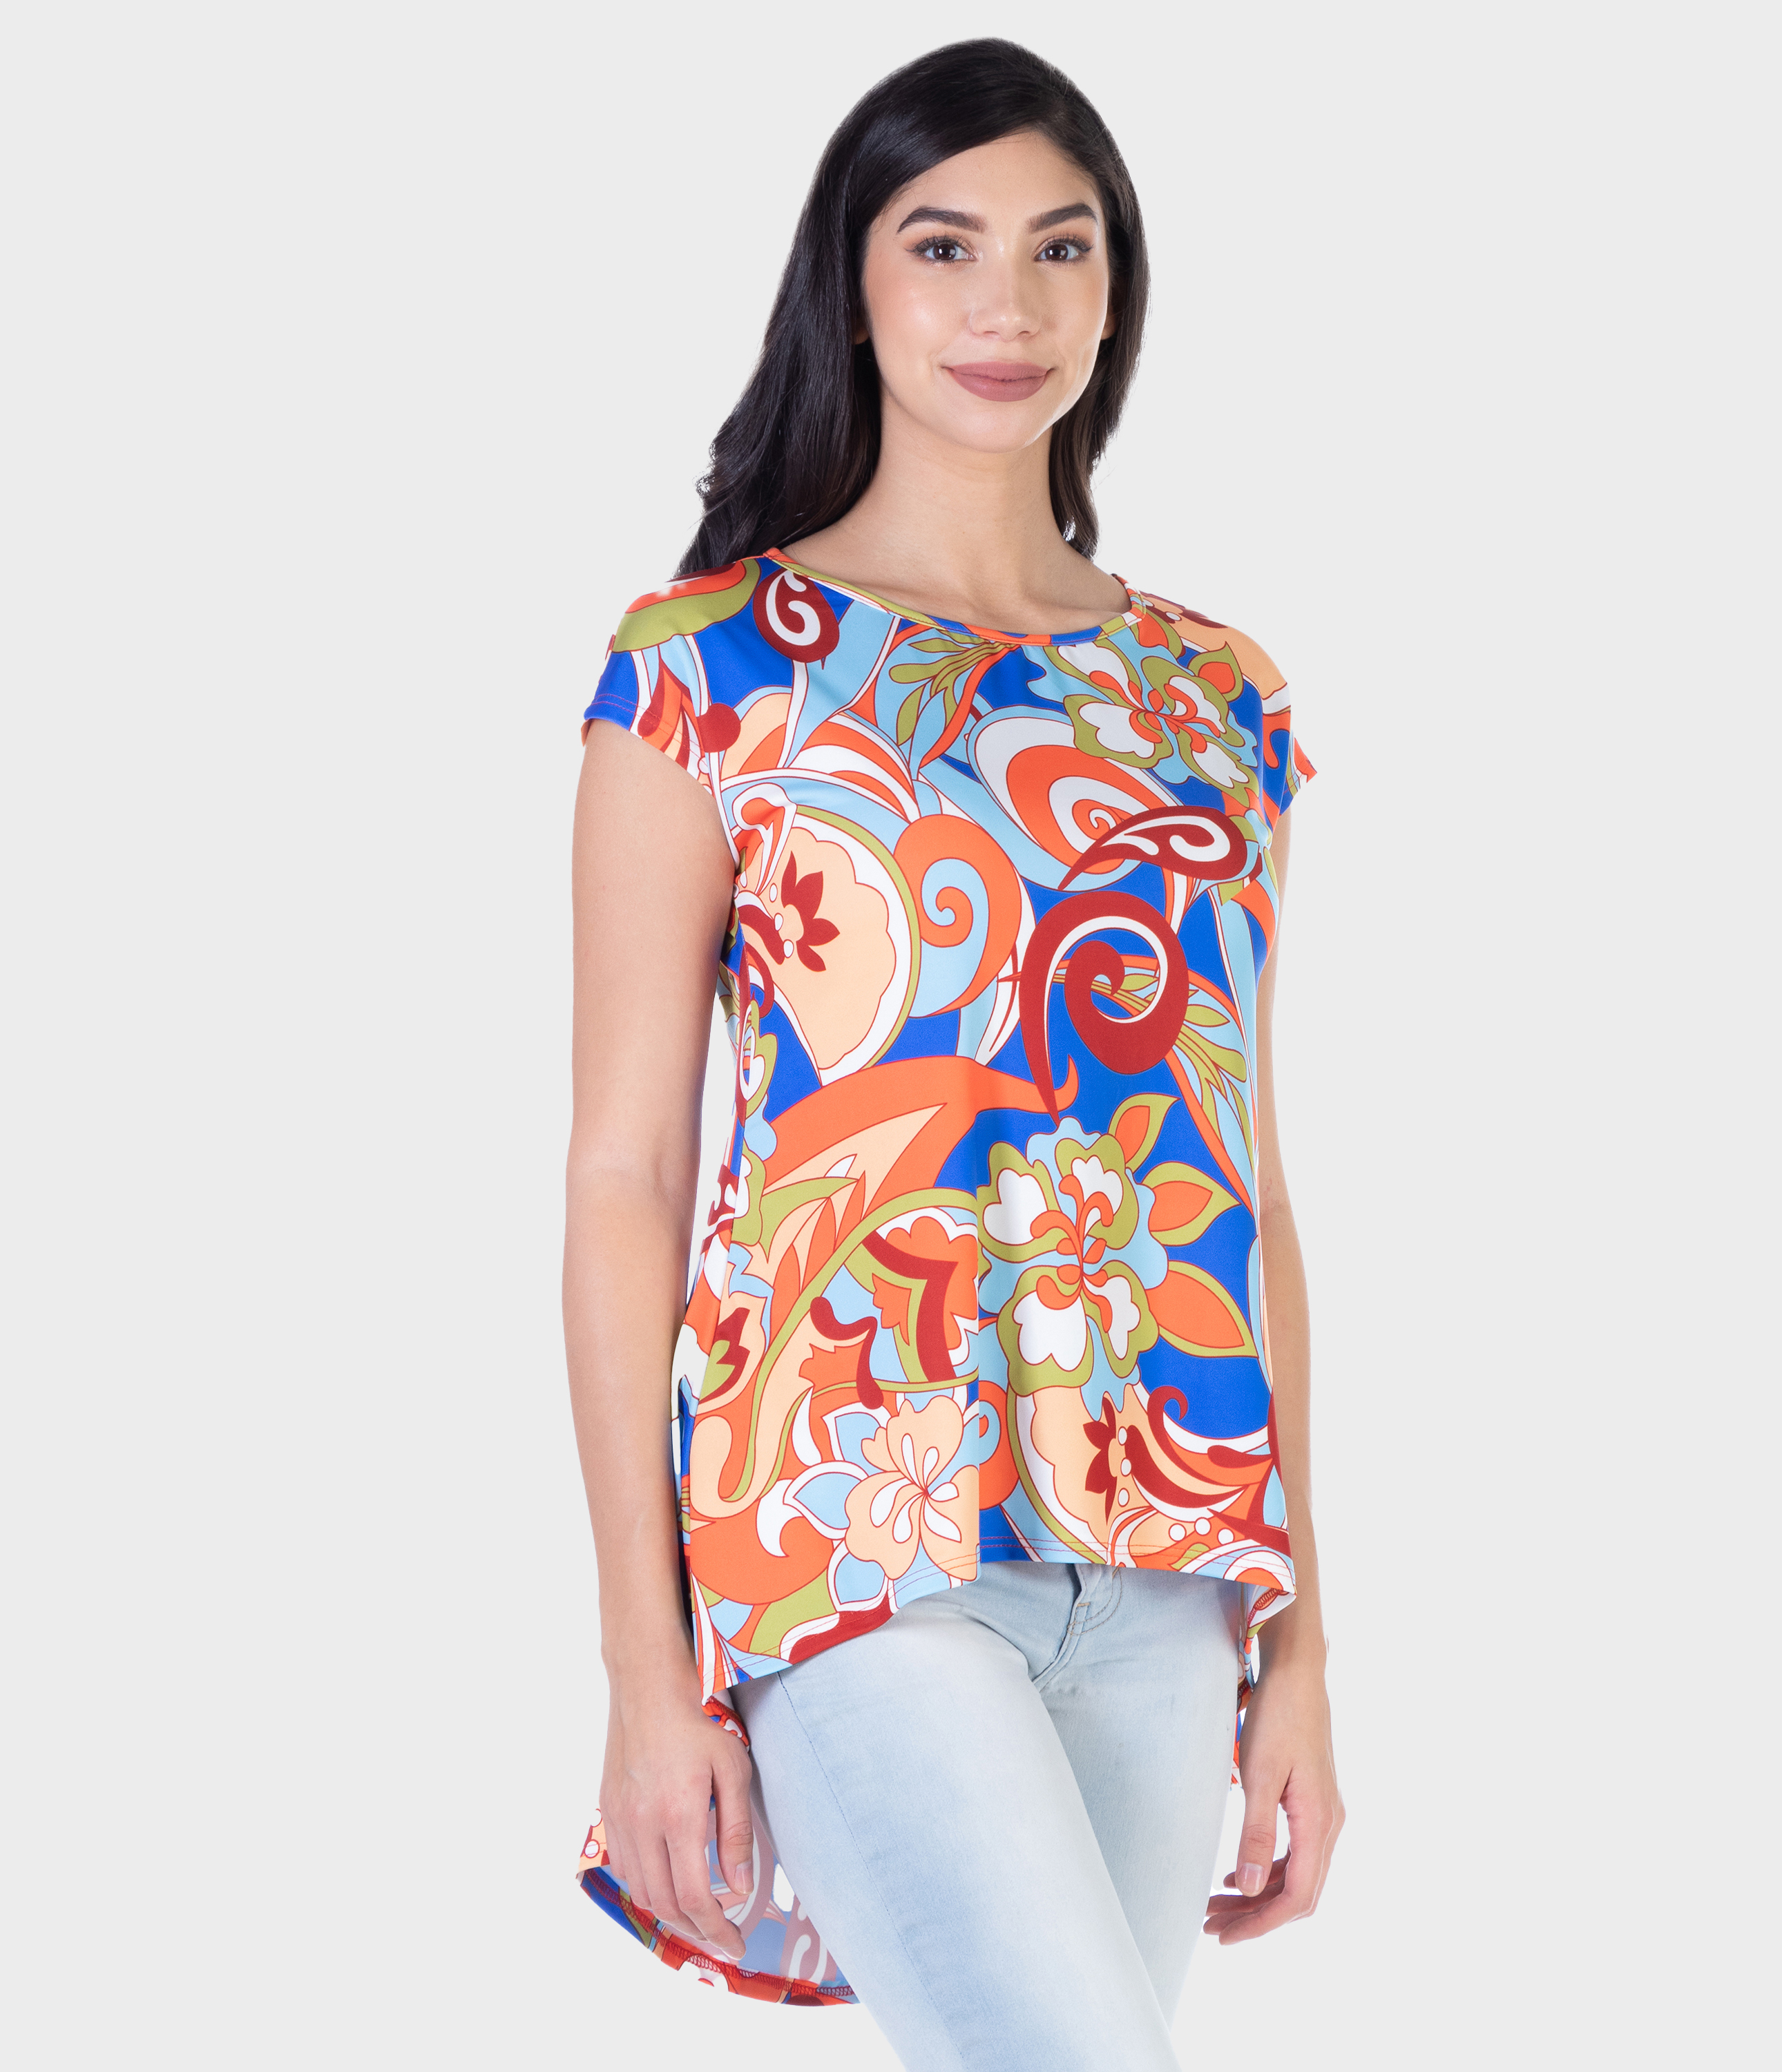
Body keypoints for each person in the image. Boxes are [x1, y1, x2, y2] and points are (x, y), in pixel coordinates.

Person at [563, 37, 1341, 2071]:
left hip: (1166, 1561)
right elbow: (625, 1178)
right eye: (944, 245)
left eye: (1061, 249)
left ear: (1117, 292)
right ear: (850, 285)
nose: (1008, 305)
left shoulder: (1216, 698)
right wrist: (647, 1667)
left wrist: (1301, 1644)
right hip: (847, 1533)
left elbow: (1242, 1179)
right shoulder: (710, 670)